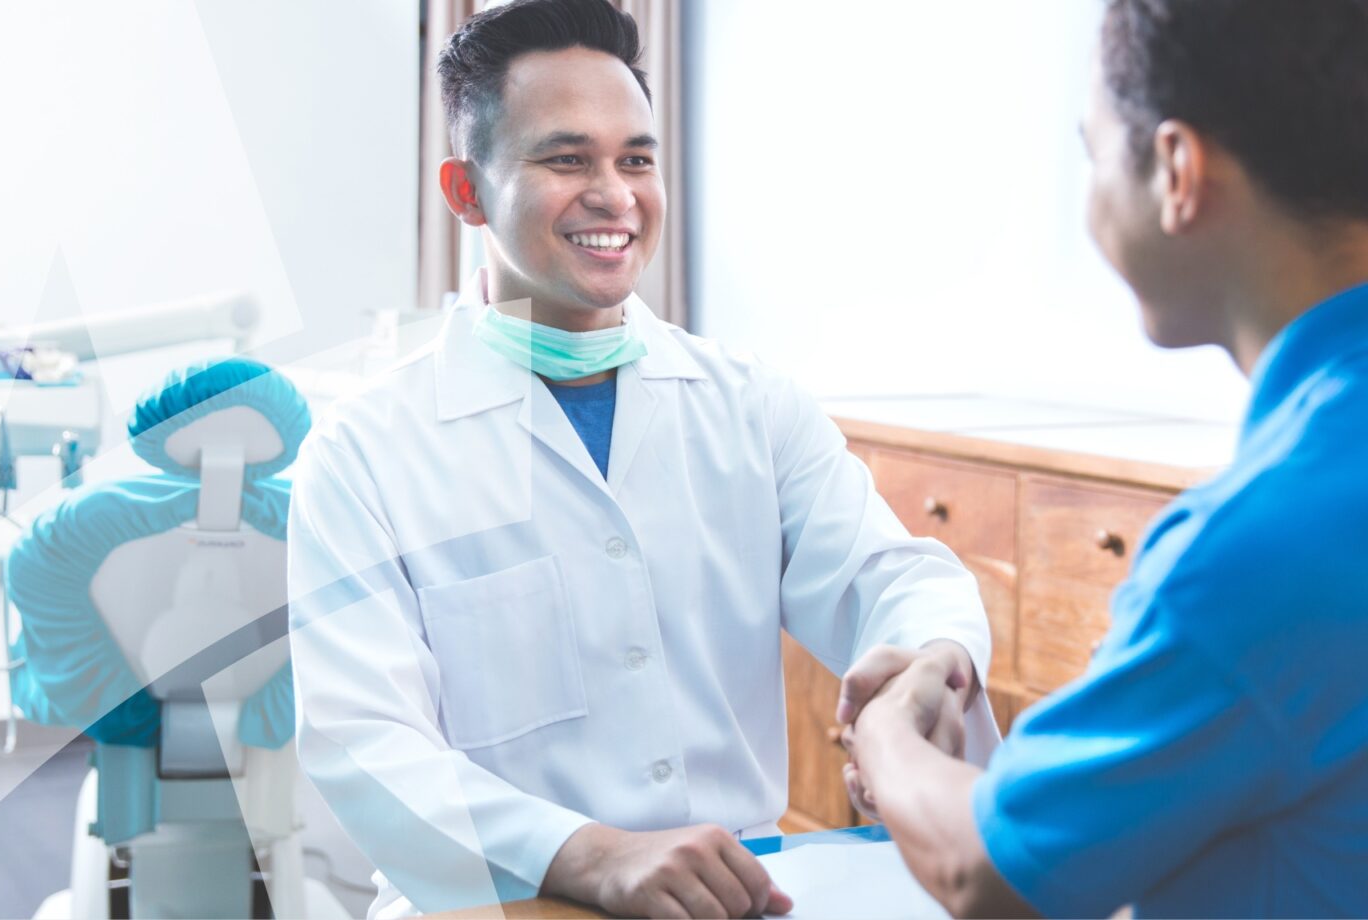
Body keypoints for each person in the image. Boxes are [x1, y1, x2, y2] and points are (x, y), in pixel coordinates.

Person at [288, 1, 995, 917]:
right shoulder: (366, 451)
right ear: (465, 192)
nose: (615, 194)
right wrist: (591, 856)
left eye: (636, 159)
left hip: (735, 890)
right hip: (492, 899)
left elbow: (893, 577)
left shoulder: (750, 405)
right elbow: (364, 745)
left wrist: (932, 659)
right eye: (566, 159)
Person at [842, 0, 1368, 916]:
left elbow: (984, 872)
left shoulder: (1259, 543)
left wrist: (887, 737)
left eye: (1093, 153)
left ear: (1177, 172)